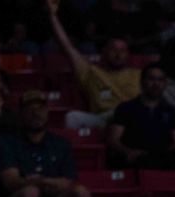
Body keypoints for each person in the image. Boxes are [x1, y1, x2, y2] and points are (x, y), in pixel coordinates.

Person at [46, 0, 140, 129]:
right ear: (104, 52)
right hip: (103, 118)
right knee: (72, 117)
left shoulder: (138, 75)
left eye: (122, 50)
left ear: (128, 54)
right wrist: (52, 15)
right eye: (113, 49)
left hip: (130, 120)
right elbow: (66, 46)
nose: (118, 54)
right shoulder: (90, 72)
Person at [0, 90, 91, 197]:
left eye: (40, 108)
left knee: (81, 193)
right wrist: (44, 183)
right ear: (21, 113)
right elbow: (11, 182)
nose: (35, 113)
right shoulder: (8, 142)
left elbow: (69, 181)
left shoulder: (61, 144)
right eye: (30, 109)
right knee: (31, 193)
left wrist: (39, 181)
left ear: (47, 111)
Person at [106, 63, 175, 169]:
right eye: (151, 79)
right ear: (142, 82)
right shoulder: (126, 108)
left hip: (160, 157)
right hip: (134, 158)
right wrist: (128, 152)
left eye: (160, 80)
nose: (156, 84)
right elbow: (113, 140)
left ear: (165, 84)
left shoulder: (171, 111)